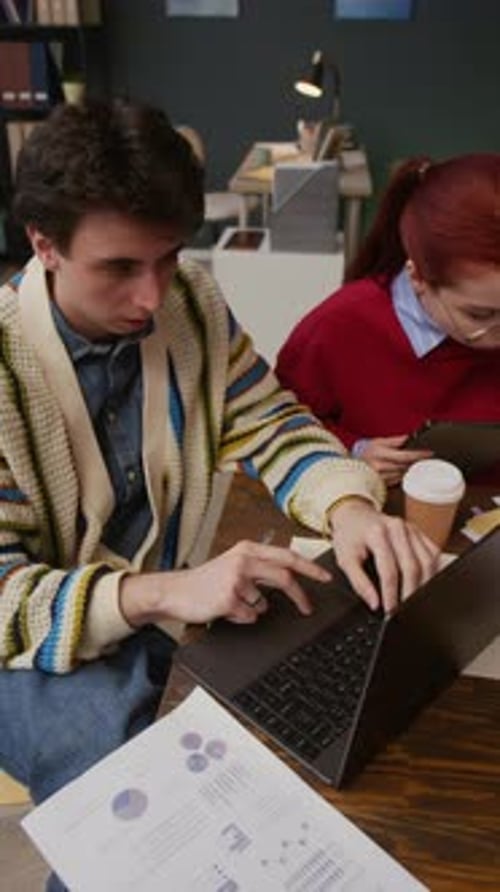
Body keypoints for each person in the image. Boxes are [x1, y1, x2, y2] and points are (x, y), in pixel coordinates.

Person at [0, 101, 437, 889]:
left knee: (304, 729)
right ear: (44, 245)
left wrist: (350, 507)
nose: (151, 296)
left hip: (172, 600)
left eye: (169, 257)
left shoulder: (190, 304)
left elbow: (267, 418)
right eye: (120, 268)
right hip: (31, 646)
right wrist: (167, 589)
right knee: (133, 800)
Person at [276, 153, 500, 487]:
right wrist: (353, 450)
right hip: (374, 510)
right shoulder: (338, 326)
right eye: (480, 315)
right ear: (418, 278)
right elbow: (276, 427)